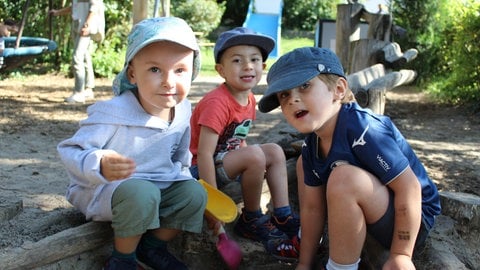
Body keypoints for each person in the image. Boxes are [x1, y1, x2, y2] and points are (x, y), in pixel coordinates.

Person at [258, 47, 441, 269]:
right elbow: (313, 210)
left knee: (344, 178)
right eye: (284, 94)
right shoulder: (311, 146)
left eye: (304, 86)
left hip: (413, 217)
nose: (292, 100)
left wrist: (401, 254)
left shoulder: (364, 129)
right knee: (304, 165)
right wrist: (304, 264)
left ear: (338, 89)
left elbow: (409, 187)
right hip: (372, 210)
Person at [57, 17, 206, 270]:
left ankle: (152, 247)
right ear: (132, 73)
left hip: (157, 185)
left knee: (194, 194)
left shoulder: (183, 110)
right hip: (105, 189)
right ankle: (122, 260)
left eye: (180, 70)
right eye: (155, 69)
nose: (169, 81)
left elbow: (181, 157)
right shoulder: (113, 112)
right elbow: (71, 150)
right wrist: (99, 164)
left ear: (193, 70)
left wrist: (183, 177)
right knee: (141, 192)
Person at [189, 27, 300, 262]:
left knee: (274, 151)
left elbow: (238, 140)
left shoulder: (248, 97)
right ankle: (251, 219)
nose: (248, 66)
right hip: (199, 171)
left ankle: (282, 215)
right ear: (221, 70)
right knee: (256, 156)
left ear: (263, 66)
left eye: (254, 60)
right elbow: (205, 154)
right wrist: (213, 199)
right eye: (237, 61)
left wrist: (250, 163)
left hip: (223, 162)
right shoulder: (217, 103)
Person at [49, 0, 103, 103]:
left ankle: (79, 93)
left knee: (77, 58)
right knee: (85, 56)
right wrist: (57, 12)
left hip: (85, 27)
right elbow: (74, 6)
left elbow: (95, 5)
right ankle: (88, 89)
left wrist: (87, 24)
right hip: (78, 24)